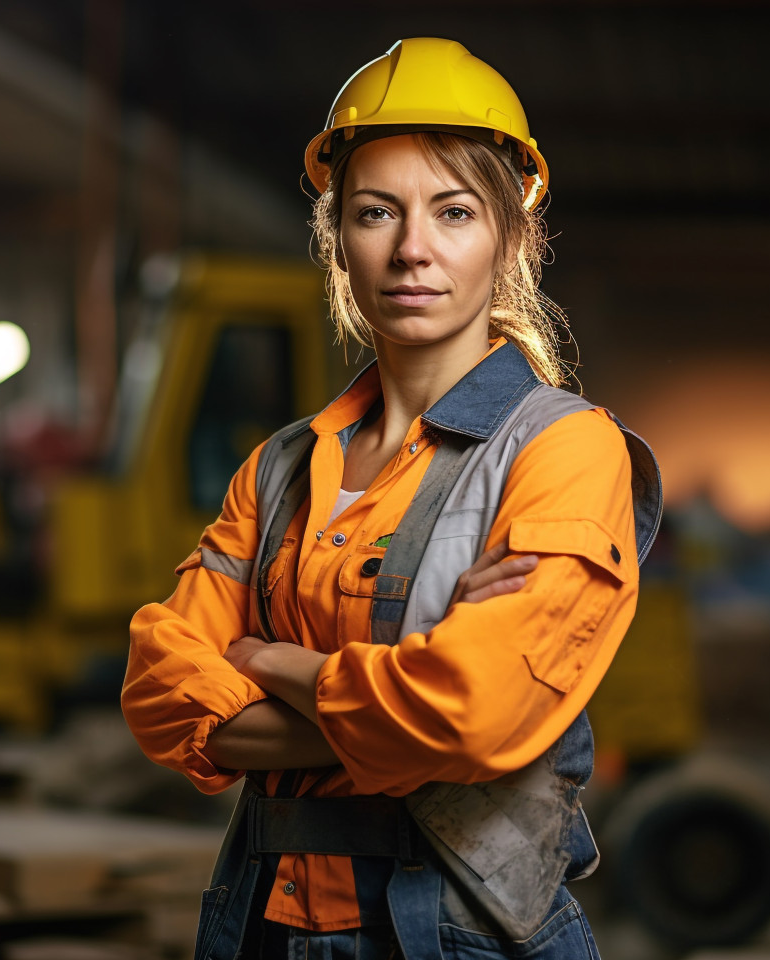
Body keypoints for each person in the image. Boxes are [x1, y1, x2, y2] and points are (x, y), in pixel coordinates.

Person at [122, 37, 662, 960]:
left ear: (510, 235)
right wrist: (399, 707)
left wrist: (270, 660)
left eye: (453, 212)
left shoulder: (564, 449)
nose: (413, 250)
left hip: (462, 936)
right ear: (338, 237)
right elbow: (158, 695)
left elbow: (470, 713)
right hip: (259, 925)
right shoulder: (281, 468)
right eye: (377, 212)